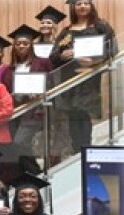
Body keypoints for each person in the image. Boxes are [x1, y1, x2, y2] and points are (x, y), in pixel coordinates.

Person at [50, 0, 117, 152]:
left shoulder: (101, 26)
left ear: (91, 6)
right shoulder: (67, 31)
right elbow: (52, 57)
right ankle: (77, 153)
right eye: (78, 3)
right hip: (69, 81)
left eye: (86, 3)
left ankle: (86, 153)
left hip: (88, 80)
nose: (82, 6)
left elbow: (112, 49)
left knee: (84, 119)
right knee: (73, 121)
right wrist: (63, 55)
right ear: (73, 7)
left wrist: (95, 60)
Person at [2, 25, 55, 176]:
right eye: (18, 44)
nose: (21, 46)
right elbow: (5, 91)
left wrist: (39, 92)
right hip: (15, 113)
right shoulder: (9, 69)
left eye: (25, 43)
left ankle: (37, 173)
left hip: (35, 111)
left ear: (31, 45)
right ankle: (26, 175)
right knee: (14, 146)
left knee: (20, 142)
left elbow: (52, 82)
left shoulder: (42, 63)